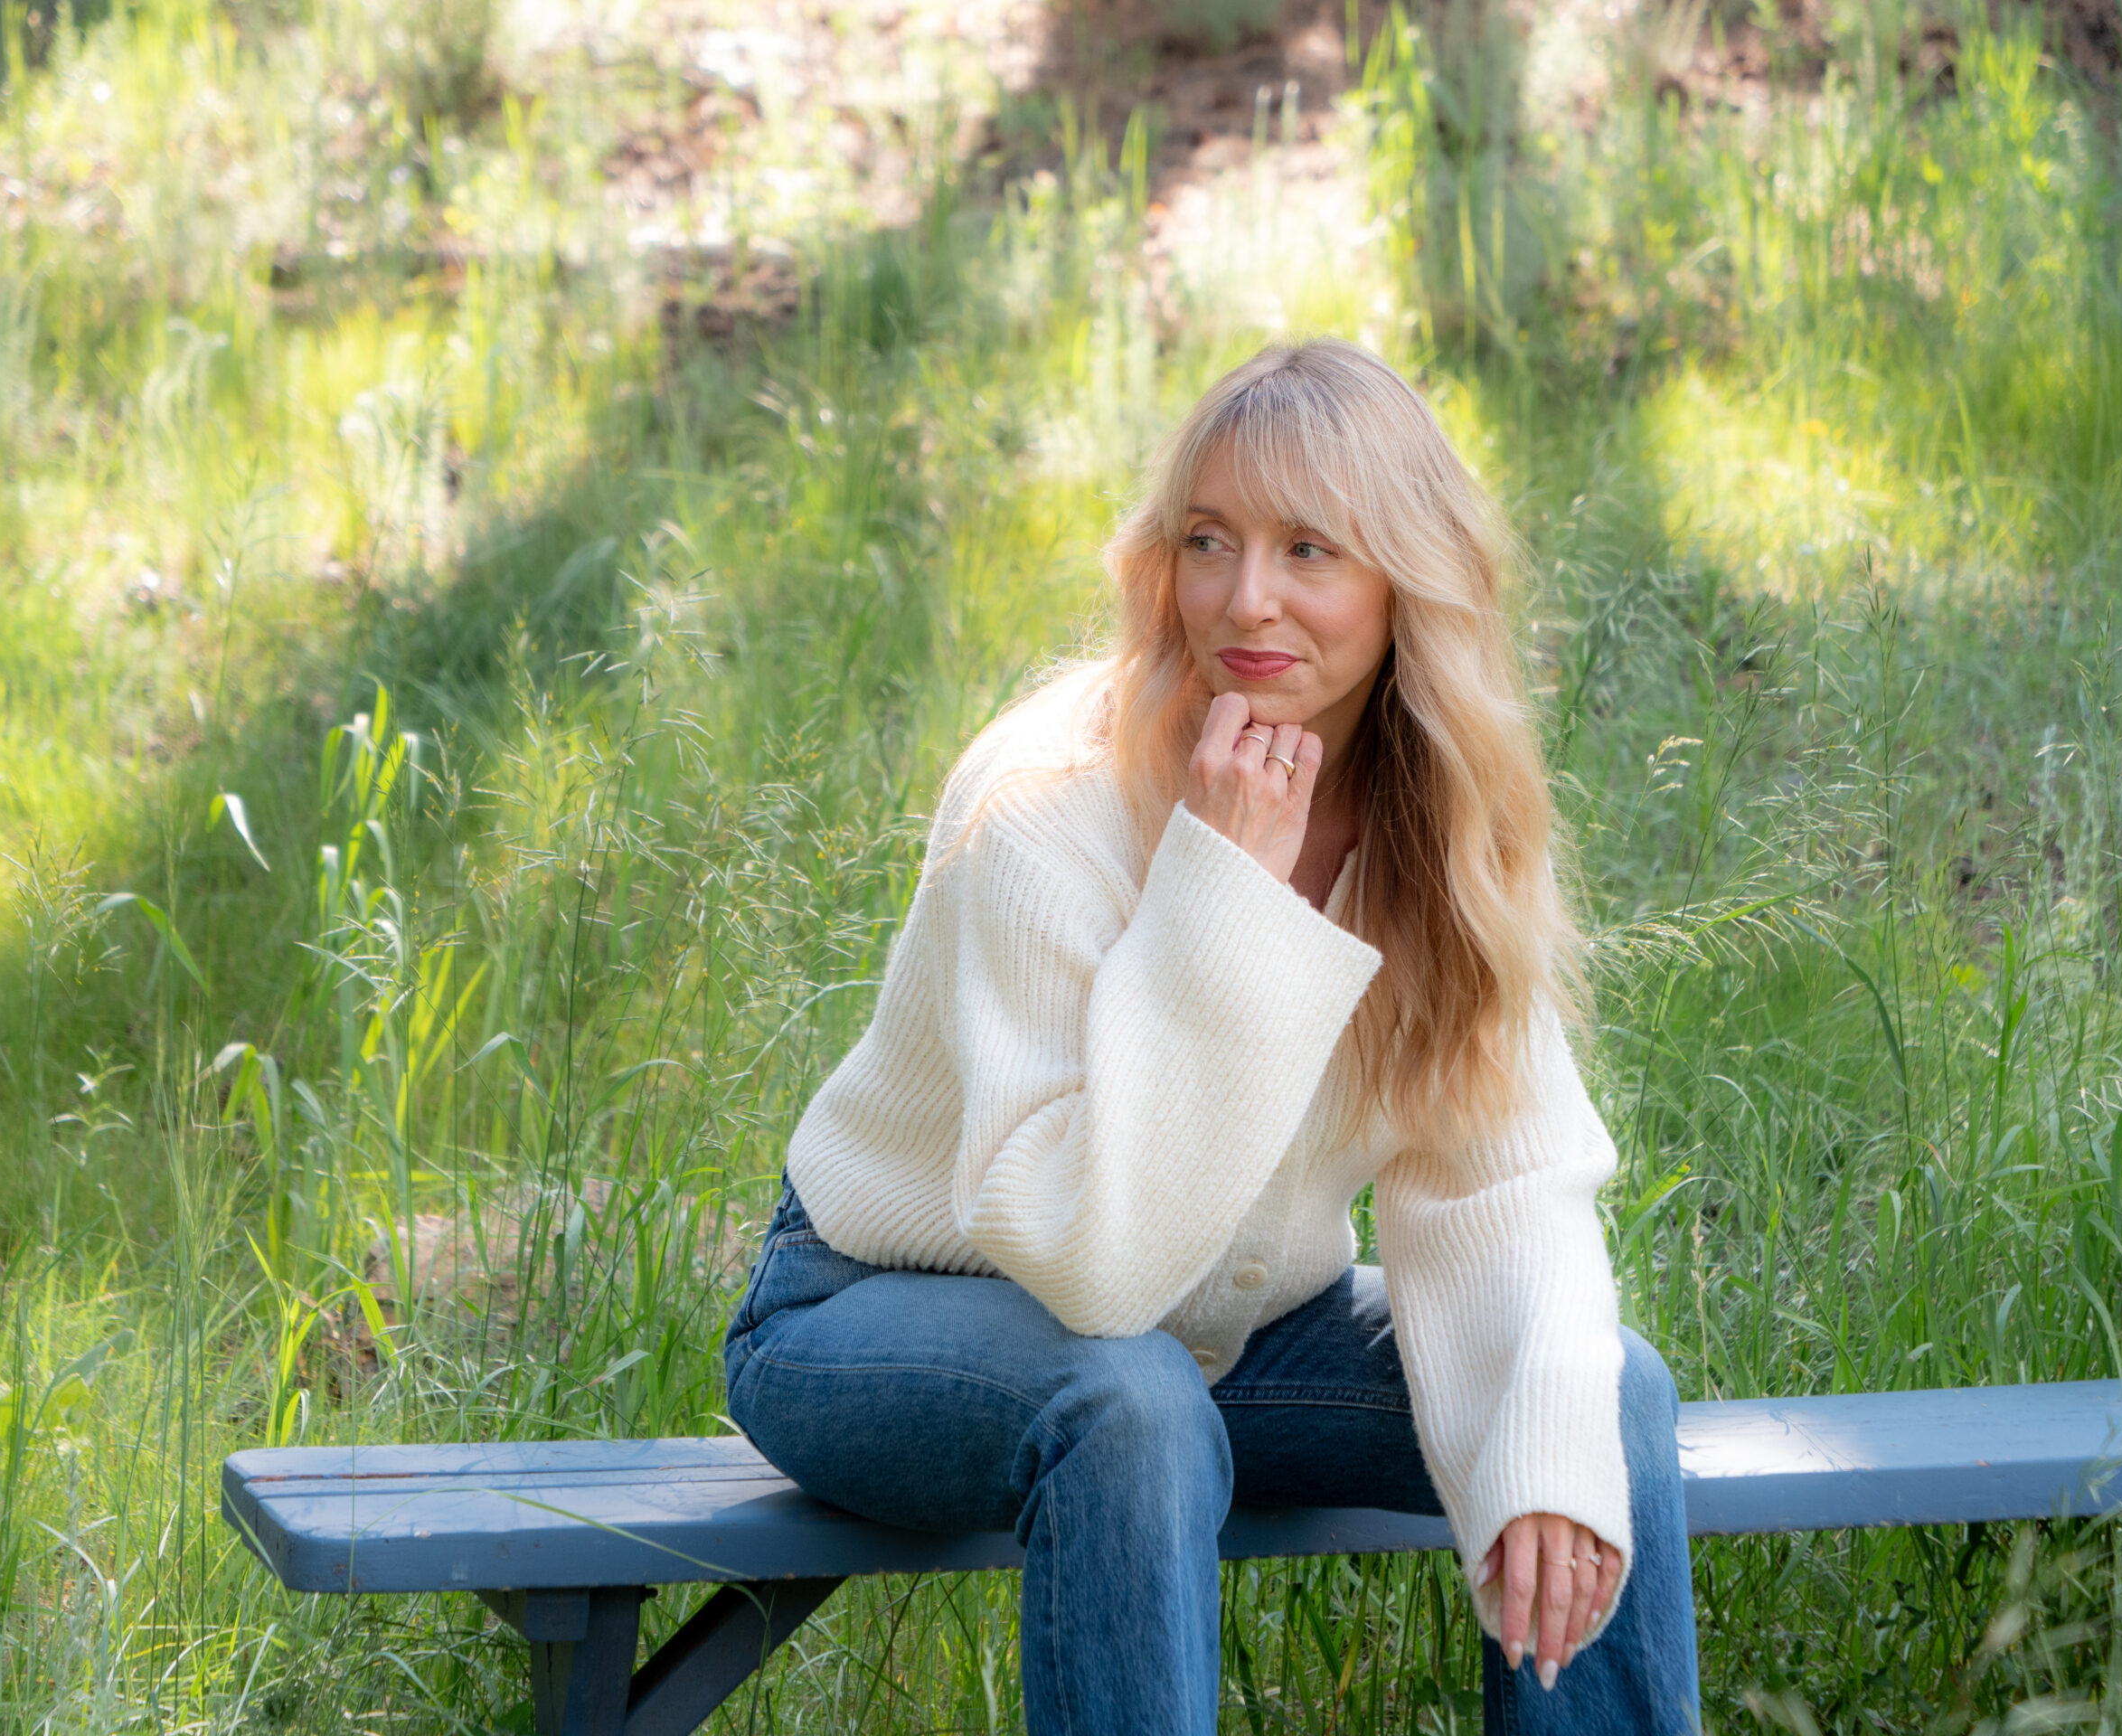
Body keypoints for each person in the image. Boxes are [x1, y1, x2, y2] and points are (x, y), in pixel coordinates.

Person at [722, 337, 1702, 1733]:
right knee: (1128, 1406)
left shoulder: (1442, 823)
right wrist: (1222, 891)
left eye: (1309, 549)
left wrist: (1543, 1455)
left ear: (1405, 581)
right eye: (1208, 540)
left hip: (1226, 1342)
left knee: (1591, 1397)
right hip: (869, 1315)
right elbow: (1096, 1267)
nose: (1247, 599)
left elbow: (1504, 1183)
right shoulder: (1045, 803)